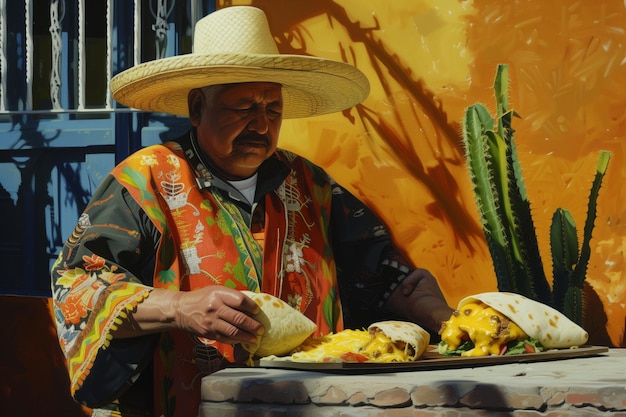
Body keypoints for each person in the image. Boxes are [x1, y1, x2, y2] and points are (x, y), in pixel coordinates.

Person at [51, 6, 453, 417]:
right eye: (243, 108)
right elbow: (77, 286)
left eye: (273, 109)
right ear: (196, 108)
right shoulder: (147, 182)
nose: (261, 124)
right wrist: (177, 308)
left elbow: (376, 275)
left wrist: (424, 307)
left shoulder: (310, 184)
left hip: (305, 405)